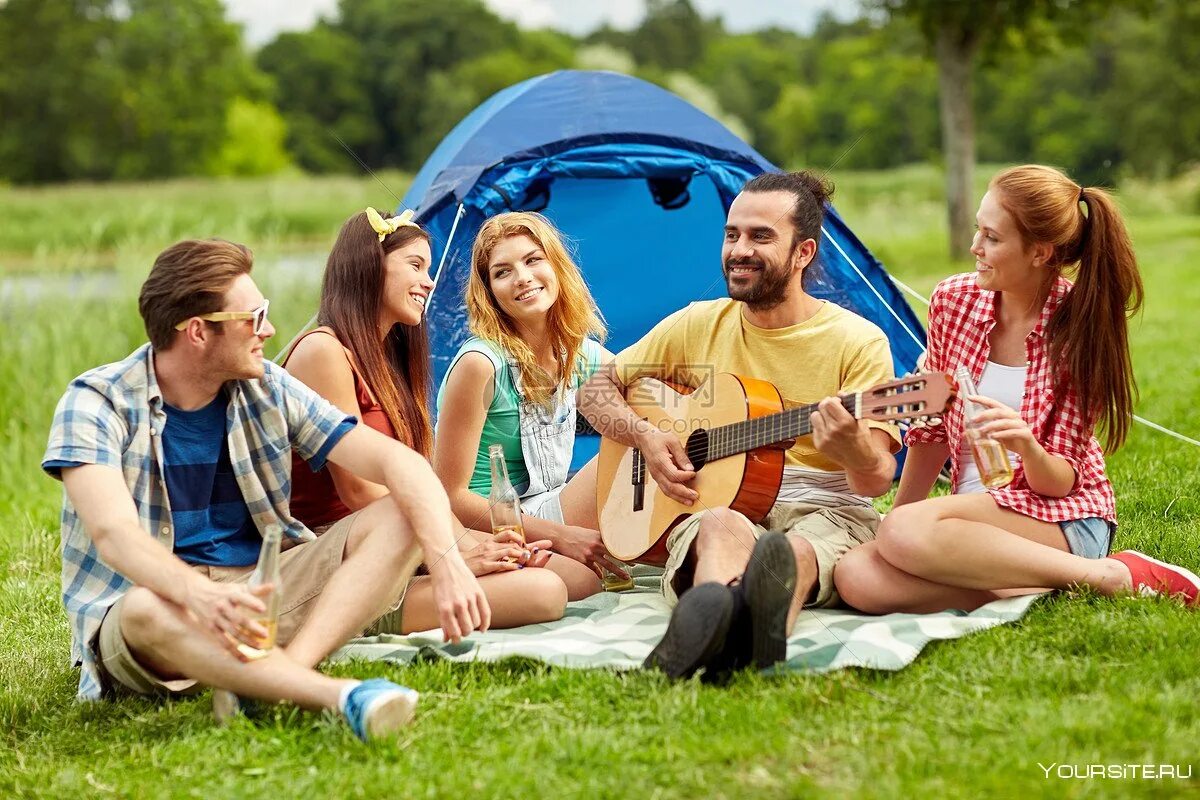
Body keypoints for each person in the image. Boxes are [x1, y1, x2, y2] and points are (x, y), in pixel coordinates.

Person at [42, 238, 489, 742]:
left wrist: (447, 559)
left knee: (404, 509)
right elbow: (115, 536)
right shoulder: (95, 402)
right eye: (254, 319)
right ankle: (334, 695)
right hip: (156, 607)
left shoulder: (268, 386)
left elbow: (397, 462)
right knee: (148, 607)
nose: (270, 331)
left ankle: (281, 676)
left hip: (260, 591)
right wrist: (198, 594)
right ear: (197, 333)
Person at [577, 171, 902, 680]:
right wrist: (644, 434)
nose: (739, 250)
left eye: (761, 237)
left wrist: (853, 449)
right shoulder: (697, 322)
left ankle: (733, 631)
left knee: (792, 552)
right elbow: (595, 389)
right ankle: (717, 621)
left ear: (804, 253)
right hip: (720, 501)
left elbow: (875, 480)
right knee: (717, 527)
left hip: (825, 503)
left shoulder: (858, 342)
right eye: (732, 235)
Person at [833, 164, 1200, 613]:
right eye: (977, 231)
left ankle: (1108, 574)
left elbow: (1062, 482)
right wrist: (896, 517)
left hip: (1060, 517)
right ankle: (1024, 587)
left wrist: (1027, 446)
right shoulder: (954, 301)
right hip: (968, 520)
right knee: (857, 577)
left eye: (992, 237)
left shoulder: (1078, 327)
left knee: (904, 533)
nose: (975, 247)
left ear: (1040, 253)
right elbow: (930, 433)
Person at [282, 208, 572, 630]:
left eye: (429, 268)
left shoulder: (390, 362)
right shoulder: (322, 352)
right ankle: (355, 617)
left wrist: (482, 547)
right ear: (367, 268)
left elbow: (422, 489)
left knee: (558, 577)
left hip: (400, 543)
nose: (429, 282)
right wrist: (453, 551)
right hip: (336, 557)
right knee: (543, 591)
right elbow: (360, 490)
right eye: (415, 266)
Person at [434, 212, 626, 599]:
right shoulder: (480, 364)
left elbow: (648, 391)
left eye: (533, 260)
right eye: (503, 272)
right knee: (581, 580)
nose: (522, 277)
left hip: (545, 505)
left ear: (556, 266)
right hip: (485, 526)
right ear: (489, 293)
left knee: (648, 437)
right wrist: (563, 537)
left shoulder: (578, 353)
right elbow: (450, 495)